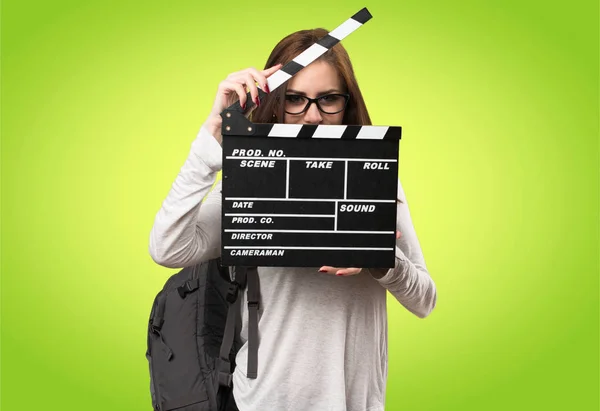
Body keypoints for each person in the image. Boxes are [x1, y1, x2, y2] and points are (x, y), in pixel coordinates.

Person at [149, 28, 437, 411]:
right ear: (276, 102)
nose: (313, 116)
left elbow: (425, 300)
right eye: (296, 99)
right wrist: (211, 138)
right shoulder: (252, 179)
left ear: (347, 103)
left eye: (328, 99)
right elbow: (168, 248)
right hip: (267, 400)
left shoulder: (376, 180)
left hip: (355, 403)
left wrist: (382, 261)